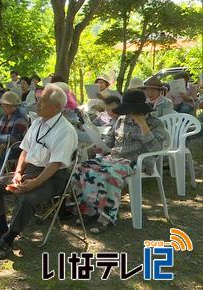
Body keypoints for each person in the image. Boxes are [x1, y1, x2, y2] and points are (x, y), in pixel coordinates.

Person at [0, 84, 78, 261]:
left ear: (56, 107)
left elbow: (55, 164)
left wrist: (33, 183)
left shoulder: (66, 130)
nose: (37, 103)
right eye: (38, 99)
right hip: (30, 171)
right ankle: (1, 228)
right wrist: (17, 173)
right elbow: (24, 150)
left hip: (53, 178)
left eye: (42, 100)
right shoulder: (37, 123)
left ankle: (8, 239)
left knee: (27, 198)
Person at [71, 89, 166, 234]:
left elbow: (157, 149)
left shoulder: (155, 123)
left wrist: (143, 126)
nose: (129, 114)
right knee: (81, 168)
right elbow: (111, 139)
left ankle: (106, 217)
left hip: (135, 161)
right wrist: (102, 146)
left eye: (132, 111)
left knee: (109, 174)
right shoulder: (122, 119)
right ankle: (88, 210)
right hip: (113, 158)